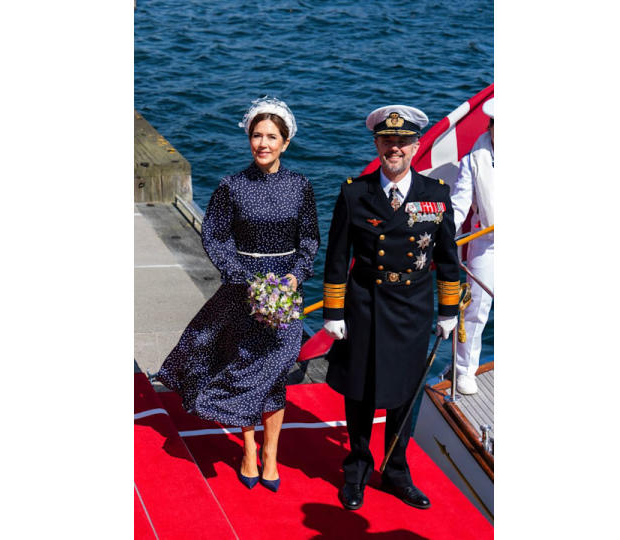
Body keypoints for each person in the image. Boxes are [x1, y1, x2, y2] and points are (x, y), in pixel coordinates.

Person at [155, 97, 319, 492]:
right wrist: (243, 279)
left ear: (285, 142)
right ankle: (249, 447)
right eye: (257, 136)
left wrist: (294, 278)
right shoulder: (232, 186)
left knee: (276, 369)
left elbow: (310, 240)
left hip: (285, 293)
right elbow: (214, 235)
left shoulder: (301, 186)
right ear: (249, 139)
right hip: (243, 291)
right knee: (246, 367)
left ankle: (271, 454)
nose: (263, 143)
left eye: (271, 137)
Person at [321, 104, 461, 511]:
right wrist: (333, 313)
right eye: (387, 141)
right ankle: (357, 472)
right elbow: (336, 257)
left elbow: (449, 259)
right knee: (360, 393)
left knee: (405, 393)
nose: (394, 148)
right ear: (377, 144)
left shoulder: (436, 196)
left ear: (416, 146)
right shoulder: (354, 193)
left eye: (402, 141)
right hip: (364, 306)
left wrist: (448, 311)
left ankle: (397, 472)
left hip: (412, 311)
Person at [448, 97, 494, 395]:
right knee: (476, 306)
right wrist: (443, 236)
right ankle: (464, 369)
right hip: (489, 242)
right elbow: (459, 205)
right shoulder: (474, 158)